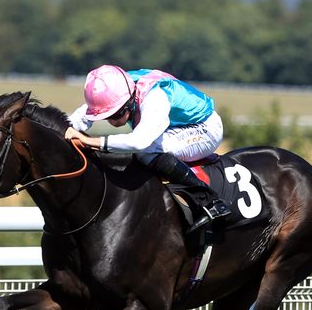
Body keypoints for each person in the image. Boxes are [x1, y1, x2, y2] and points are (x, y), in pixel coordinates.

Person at [64, 65, 230, 232]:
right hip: (176, 125)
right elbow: (81, 116)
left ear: (128, 101)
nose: (111, 122)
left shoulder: (155, 97)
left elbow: (139, 142)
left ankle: (208, 200)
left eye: (114, 115)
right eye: (105, 117)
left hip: (205, 129)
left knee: (146, 151)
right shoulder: (117, 88)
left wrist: (89, 141)